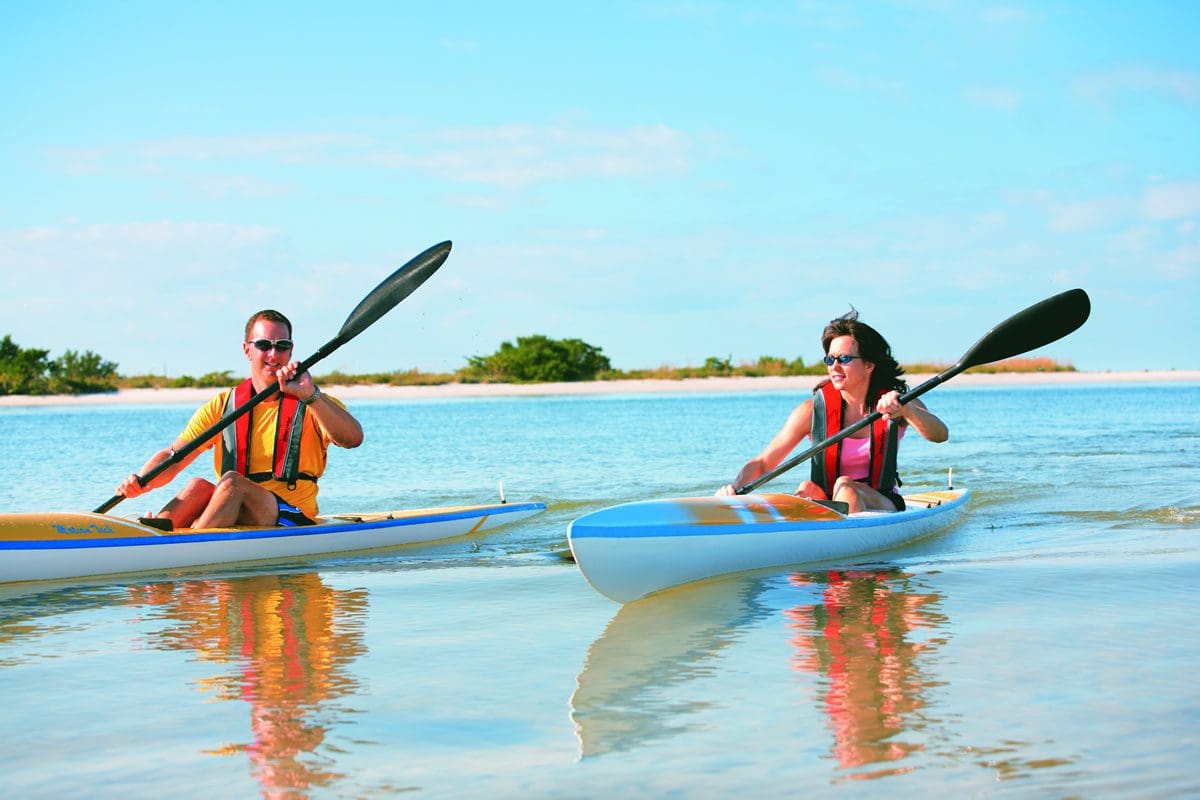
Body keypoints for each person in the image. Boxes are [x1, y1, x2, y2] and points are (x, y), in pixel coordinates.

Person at [117, 309, 364, 529]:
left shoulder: (312, 400)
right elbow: (174, 458)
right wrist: (140, 481)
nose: (273, 353)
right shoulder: (223, 405)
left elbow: (353, 439)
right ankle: (155, 534)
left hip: (293, 517)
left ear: (291, 350)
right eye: (264, 344)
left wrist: (310, 395)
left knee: (233, 483)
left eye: (281, 346)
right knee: (199, 486)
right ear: (247, 349)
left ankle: (186, 545)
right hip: (234, 509)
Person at [718, 310, 947, 512]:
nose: (834, 367)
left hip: (882, 501)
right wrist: (735, 488)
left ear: (869, 365)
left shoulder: (897, 401)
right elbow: (764, 463)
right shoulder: (811, 412)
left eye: (844, 359)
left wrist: (907, 410)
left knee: (845, 486)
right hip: (828, 500)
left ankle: (852, 558)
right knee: (806, 489)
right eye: (830, 359)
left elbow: (939, 435)